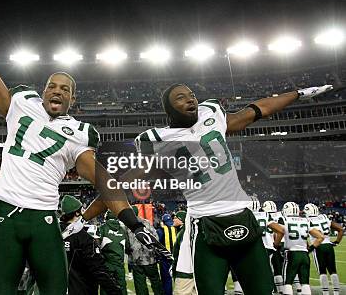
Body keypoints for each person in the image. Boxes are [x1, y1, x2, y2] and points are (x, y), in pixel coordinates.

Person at [0, 7, 170, 294]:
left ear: (73, 97)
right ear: (44, 90)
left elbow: (102, 180)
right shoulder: (20, 102)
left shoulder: (79, 133)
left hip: (45, 217)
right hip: (5, 214)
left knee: (56, 290)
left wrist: (133, 223)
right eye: (52, 86)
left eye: (65, 89)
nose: (57, 91)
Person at [134, 82, 333, 294]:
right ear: (169, 108)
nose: (190, 99)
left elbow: (258, 109)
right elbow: (125, 179)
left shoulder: (210, 112)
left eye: (192, 95)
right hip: (205, 224)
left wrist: (299, 94)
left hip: (242, 217)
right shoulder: (154, 140)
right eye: (180, 97)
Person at [60, 195, 121, 295]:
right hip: (81, 290)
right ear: (77, 212)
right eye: (82, 209)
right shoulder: (84, 237)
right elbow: (99, 269)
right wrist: (115, 291)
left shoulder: (52, 235)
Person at [271, 202, 324, 295]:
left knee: (287, 282)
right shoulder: (306, 220)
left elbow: (281, 232)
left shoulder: (283, 219)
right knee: (305, 283)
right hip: (304, 254)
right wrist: (310, 249)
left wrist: (276, 244)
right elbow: (320, 237)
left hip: (291, 253)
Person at [304, 203, 343, 295]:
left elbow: (304, 236)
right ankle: (336, 292)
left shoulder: (307, 220)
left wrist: (309, 247)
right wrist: (336, 241)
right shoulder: (324, 217)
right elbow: (341, 229)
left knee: (322, 271)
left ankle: (325, 293)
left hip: (318, 246)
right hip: (329, 246)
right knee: (333, 270)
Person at [126, 205, 164, 295]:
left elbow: (126, 244)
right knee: (156, 282)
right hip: (150, 258)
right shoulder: (146, 222)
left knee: (140, 285)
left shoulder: (126, 225)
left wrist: (130, 252)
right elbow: (156, 238)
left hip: (136, 259)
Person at [98, 210, 128, 295]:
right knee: (122, 286)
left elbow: (96, 245)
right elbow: (128, 246)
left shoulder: (103, 228)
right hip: (119, 264)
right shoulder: (122, 230)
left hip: (107, 263)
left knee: (106, 286)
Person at [156, 214, 177, 295]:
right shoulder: (176, 229)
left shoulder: (160, 231)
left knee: (166, 278)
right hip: (175, 257)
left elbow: (157, 244)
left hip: (165, 258)